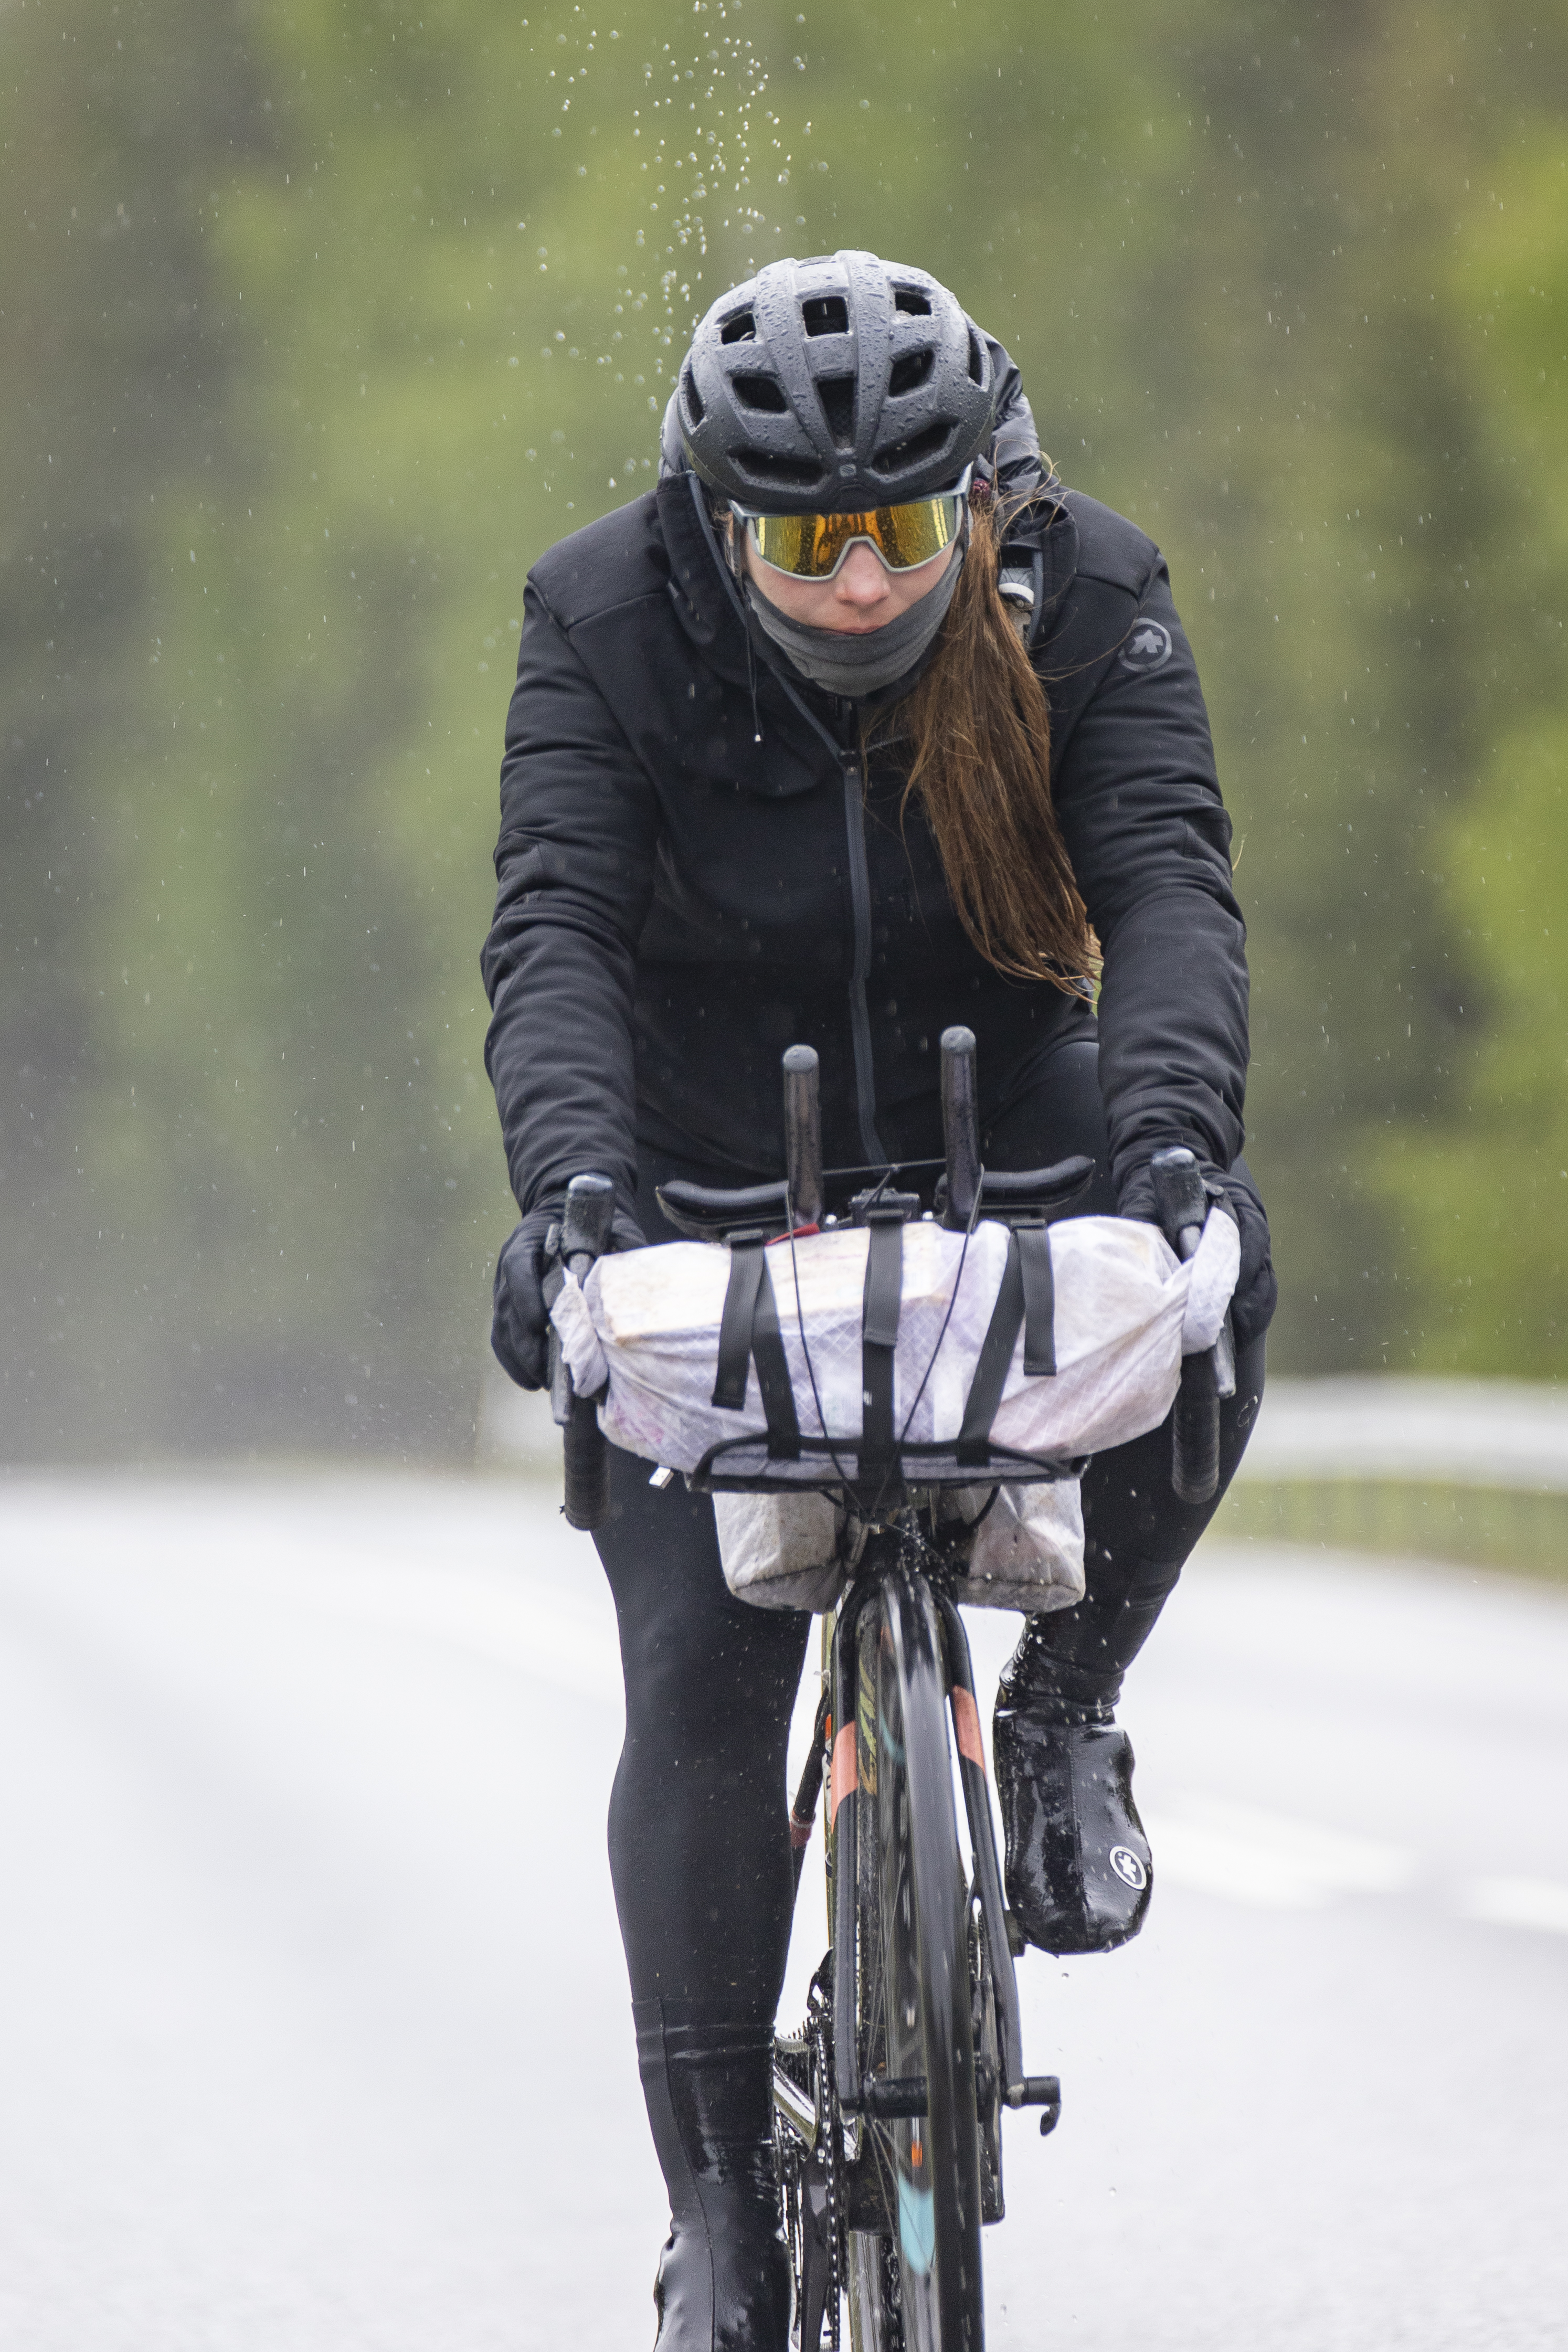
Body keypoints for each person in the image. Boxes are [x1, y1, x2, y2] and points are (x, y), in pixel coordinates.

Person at [482, 249, 1275, 2350]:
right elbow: (552, 932)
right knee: (706, 1677)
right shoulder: (598, 617)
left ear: (978, 503)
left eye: (902, 533)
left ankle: (1069, 1703)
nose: (856, 584)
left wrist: (1179, 1151)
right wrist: (571, 1200)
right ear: (713, 520)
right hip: (696, 1171)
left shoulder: (1090, 592)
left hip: (1001, 1107)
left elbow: (1173, 881)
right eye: (804, 541)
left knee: (1230, 1270)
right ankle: (722, 2212)